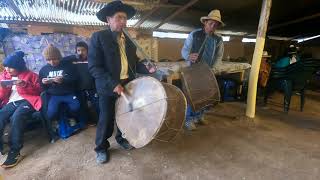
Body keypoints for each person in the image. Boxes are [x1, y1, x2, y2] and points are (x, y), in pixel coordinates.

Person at [88, 1, 156, 164]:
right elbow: (94, 67)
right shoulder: (99, 37)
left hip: (127, 84)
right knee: (107, 118)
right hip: (107, 86)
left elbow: (134, 63)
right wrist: (112, 84)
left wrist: (147, 68)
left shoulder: (129, 41)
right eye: (119, 18)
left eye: (125, 18)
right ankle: (101, 148)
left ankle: (121, 138)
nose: (123, 22)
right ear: (108, 19)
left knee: (126, 115)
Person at [181, 9, 225, 130]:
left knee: (206, 96)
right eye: (210, 23)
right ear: (205, 22)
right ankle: (189, 120)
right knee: (193, 96)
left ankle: (199, 116)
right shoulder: (194, 34)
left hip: (208, 72)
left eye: (215, 25)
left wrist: (214, 69)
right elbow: (184, 50)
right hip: (194, 70)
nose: (212, 27)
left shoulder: (218, 39)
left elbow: (219, 56)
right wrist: (188, 56)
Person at [0, 51, 42, 168]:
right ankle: (2, 146)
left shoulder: (31, 75)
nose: (7, 69)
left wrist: (25, 85)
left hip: (28, 101)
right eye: (6, 66)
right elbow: (2, 96)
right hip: (11, 102)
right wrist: (3, 88)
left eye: (11, 67)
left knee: (16, 117)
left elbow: (40, 91)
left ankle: (15, 151)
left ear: (18, 66)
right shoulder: (4, 76)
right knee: (1, 116)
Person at [39, 44, 80, 143]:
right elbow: (41, 86)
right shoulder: (43, 70)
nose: (52, 62)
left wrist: (64, 80)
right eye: (48, 60)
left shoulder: (68, 66)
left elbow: (75, 79)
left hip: (68, 93)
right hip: (54, 95)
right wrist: (43, 83)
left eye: (54, 59)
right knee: (51, 113)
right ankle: (57, 122)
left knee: (76, 107)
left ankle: (70, 117)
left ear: (59, 57)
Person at [64, 41, 99, 126]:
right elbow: (62, 60)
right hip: (79, 88)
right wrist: (73, 56)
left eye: (83, 50)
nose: (81, 52)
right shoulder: (73, 60)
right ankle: (86, 122)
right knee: (82, 106)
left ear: (87, 50)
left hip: (92, 87)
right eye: (78, 50)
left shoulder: (92, 59)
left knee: (97, 105)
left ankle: (99, 121)